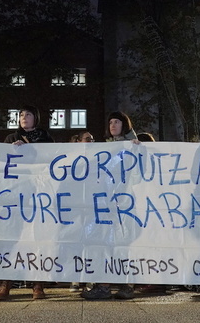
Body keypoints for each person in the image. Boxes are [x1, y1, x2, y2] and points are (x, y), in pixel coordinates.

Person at [0, 105, 54, 301]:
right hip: (16, 196)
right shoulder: (11, 139)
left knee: (38, 238)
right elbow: (3, 164)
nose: (24, 117)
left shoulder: (46, 139)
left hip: (39, 196)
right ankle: (6, 283)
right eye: (21, 115)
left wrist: (31, 149)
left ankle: (37, 284)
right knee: (13, 239)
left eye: (28, 114)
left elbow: (51, 161)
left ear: (35, 118)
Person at [81, 111, 140, 301]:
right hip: (106, 203)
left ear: (125, 125)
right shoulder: (104, 147)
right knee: (105, 244)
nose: (113, 125)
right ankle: (104, 285)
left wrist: (138, 149)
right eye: (111, 122)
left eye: (117, 122)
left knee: (123, 244)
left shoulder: (134, 145)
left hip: (125, 203)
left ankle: (126, 285)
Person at [68, 130, 95, 292]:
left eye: (93, 140)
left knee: (92, 242)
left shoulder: (98, 156)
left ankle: (90, 278)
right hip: (75, 206)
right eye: (87, 139)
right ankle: (75, 278)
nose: (91, 142)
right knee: (75, 242)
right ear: (78, 142)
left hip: (93, 206)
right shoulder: (71, 158)